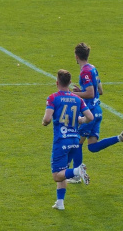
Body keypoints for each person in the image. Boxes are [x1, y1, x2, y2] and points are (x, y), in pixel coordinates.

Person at [65, 42, 123, 184]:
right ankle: (119, 138)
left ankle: (76, 175)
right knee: (92, 146)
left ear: (76, 56)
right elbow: (100, 91)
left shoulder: (84, 72)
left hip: (89, 113)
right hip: (98, 111)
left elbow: (91, 93)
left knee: (77, 143)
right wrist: (81, 91)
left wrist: (77, 95)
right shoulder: (93, 68)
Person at [42, 69, 95, 211]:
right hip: (75, 141)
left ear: (57, 83)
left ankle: (78, 171)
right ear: (70, 83)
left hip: (61, 141)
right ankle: (60, 202)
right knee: (63, 170)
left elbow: (47, 119)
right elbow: (90, 117)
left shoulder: (53, 97)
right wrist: (80, 120)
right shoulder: (78, 99)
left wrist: (45, 122)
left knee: (57, 176)